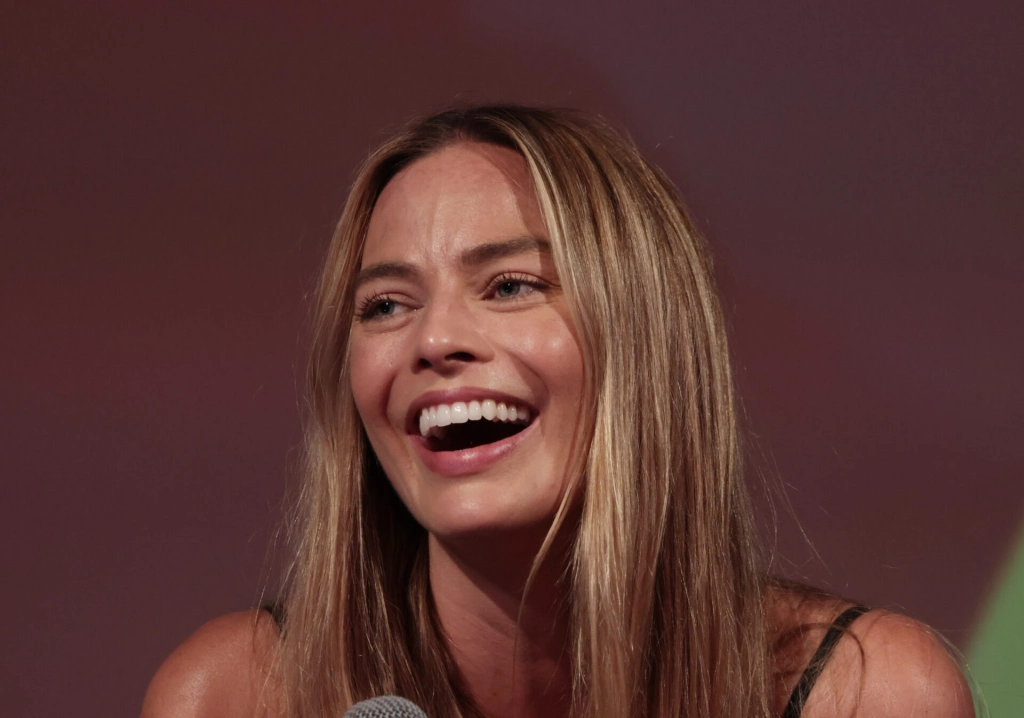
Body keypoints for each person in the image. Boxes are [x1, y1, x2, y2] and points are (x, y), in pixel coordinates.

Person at [141, 106, 974, 718]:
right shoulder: (233, 698)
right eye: (386, 304)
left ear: (645, 338)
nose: (433, 339)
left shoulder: (865, 694)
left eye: (510, 286)